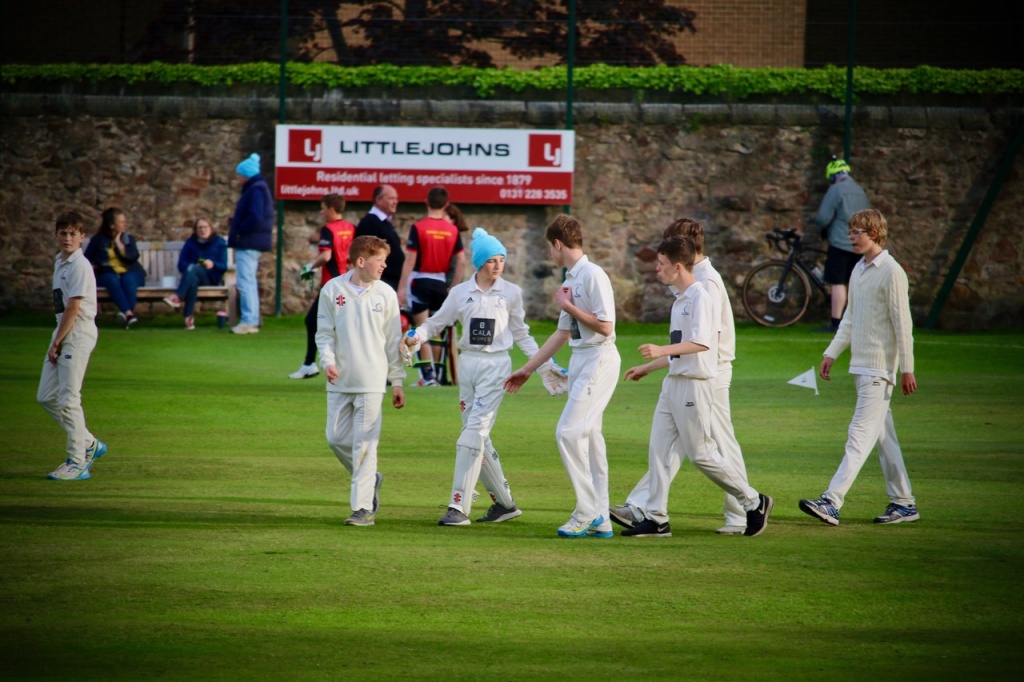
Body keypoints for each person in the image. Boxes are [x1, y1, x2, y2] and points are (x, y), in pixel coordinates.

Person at [403, 228, 567, 527]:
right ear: (479, 263)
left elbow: (522, 335)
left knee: (472, 433)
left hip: (497, 367)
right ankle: (505, 504)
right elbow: (436, 323)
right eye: (491, 260)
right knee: (476, 435)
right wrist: (416, 336)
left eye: (501, 259)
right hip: (468, 366)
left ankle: (458, 506)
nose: (497, 265)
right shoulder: (460, 293)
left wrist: (545, 366)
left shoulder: (511, 293)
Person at [618, 236, 774, 538]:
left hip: (694, 386)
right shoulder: (680, 299)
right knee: (659, 452)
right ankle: (657, 518)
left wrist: (661, 350)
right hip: (673, 383)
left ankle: (754, 501)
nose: (657, 271)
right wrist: (648, 368)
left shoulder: (702, 296)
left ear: (677, 266)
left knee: (701, 454)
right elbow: (680, 348)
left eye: (661, 265)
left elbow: (702, 343)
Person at [799, 209, 919, 526]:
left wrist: (907, 368)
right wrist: (831, 353)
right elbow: (850, 319)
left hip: (880, 372)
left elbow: (902, 325)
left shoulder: (892, 272)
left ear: (875, 233)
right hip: (861, 368)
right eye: (851, 232)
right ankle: (904, 503)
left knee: (859, 437)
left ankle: (831, 501)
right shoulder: (858, 270)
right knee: (884, 438)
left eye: (857, 232)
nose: (852, 237)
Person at [504, 214, 621, 539]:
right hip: (583, 359)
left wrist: (569, 307)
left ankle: (588, 511)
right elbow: (561, 334)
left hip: (599, 358)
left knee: (568, 433)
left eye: (550, 248)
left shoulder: (593, 275)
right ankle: (603, 518)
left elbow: (606, 325)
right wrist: (529, 369)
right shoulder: (571, 278)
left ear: (558, 244)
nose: (550, 254)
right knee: (592, 439)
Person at [315, 235, 406, 527]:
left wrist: (398, 381)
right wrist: (327, 361)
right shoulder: (332, 289)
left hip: (372, 380)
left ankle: (363, 508)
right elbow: (324, 333)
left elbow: (394, 342)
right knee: (335, 439)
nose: (384, 265)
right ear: (361, 261)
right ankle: (370, 478)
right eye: (380, 260)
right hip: (339, 379)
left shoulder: (386, 294)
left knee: (365, 446)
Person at [39, 211, 107, 480]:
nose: (67, 238)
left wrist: (58, 341)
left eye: (72, 234)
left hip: (77, 332)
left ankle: (78, 461)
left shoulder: (80, 265)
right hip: (63, 330)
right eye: (63, 233)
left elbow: (74, 307)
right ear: (56, 235)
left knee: (69, 398)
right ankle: (89, 442)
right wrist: (57, 338)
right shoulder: (60, 261)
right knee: (46, 396)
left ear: (82, 237)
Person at [398, 186, 467, 386]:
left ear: (426, 202)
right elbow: (461, 261)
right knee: (436, 330)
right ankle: (436, 374)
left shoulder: (419, 227)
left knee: (421, 328)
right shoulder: (452, 230)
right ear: (446, 204)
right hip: (440, 283)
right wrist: (454, 287)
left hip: (420, 281)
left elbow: (410, 260)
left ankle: (428, 376)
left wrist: (402, 288)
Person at [290, 194, 356, 379]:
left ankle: (311, 364)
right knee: (341, 324)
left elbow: (326, 256)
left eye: (323, 208)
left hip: (332, 285)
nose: (321, 212)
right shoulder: (351, 228)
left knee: (312, 321)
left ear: (331, 210)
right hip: (348, 282)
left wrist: (310, 267)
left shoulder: (328, 229)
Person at [815, 157, 870, 332]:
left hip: (840, 241)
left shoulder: (836, 189)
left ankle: (836, 322)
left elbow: (823, 217)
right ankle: (857, 322)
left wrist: (822, 229)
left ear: (833, 176)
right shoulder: (859, 190)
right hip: (860, 243)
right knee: (855, 283)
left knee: (837, 282)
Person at [228, 152, 274, 334]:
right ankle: (252, 320)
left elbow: (255, 215)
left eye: (239, 174)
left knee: (245, 282)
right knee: (249, 281)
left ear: (246, 174)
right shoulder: (259, 188)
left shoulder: (254, 189)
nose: (238, 178)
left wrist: (239, 229)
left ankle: (248, 320)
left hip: (248, 241)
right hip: (254, 241)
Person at [162, 216, 228, 330]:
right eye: (199, 228)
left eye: (205, 227)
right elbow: (181, 264)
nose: (202, 230)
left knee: (193, 269)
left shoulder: (219, 242)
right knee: (193, 278)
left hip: (211, 278)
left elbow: (224, 266)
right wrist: (191, 268)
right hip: (193, 277)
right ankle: (188, 319)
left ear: (211, 228)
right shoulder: (190, 243)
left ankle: (178, 296)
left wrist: (213, 264)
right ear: (195, 230)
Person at [83, 207, 145, 329]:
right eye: (121, 222)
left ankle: (126, 314)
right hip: (107, 274)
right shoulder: (98, 240)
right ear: (112, 225)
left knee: (128, 279)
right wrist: (92, 267)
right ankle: (129, 315)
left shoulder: (128, 239)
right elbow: (86, 258)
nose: (125, 224)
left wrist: (120, 246)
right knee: (112, 279)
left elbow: (133, 257)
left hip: (131, 272)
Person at [355, 184, 404, 292]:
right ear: (378, 200)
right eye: (391, 198)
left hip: (391, 282)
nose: (395, 202)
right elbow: (365, 254)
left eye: (396, 198)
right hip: (380, 282)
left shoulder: (385, 222)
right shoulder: (369, 222)